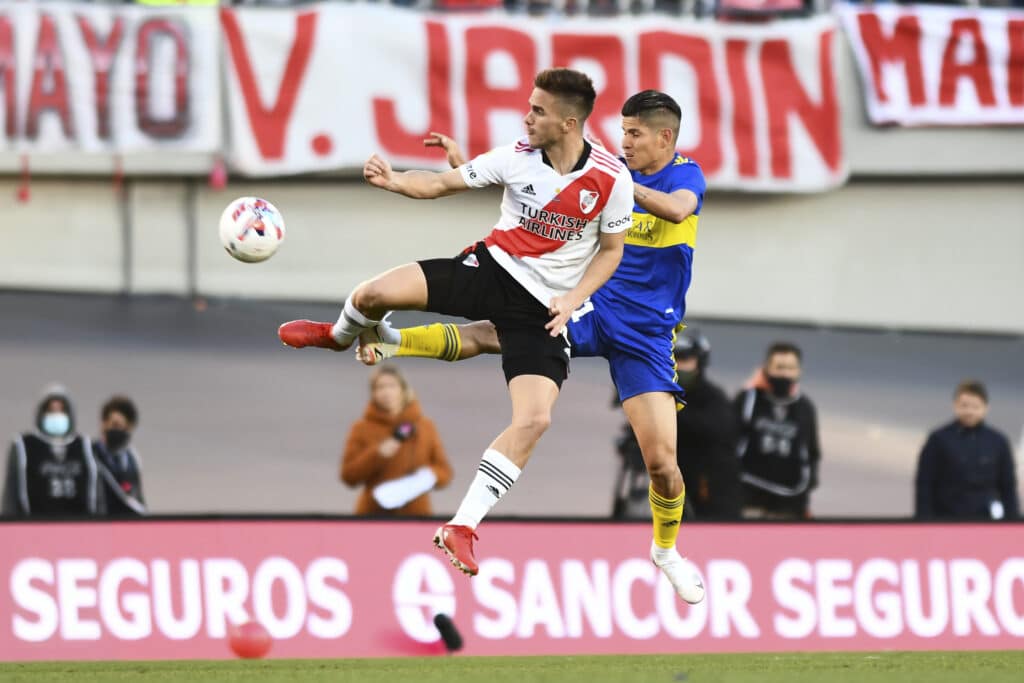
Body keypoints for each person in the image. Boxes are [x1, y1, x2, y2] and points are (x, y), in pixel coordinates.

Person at [278, 68, 634, 577]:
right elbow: (443, 184)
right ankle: (337, 337)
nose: (527, 117)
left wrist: (574, 297)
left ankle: (462, 526)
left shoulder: (611, 178)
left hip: (545, 310)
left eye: (538, 110)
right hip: (491, 271)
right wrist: (395, 181)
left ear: (569, 121)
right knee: (376, 292)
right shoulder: (515, 157)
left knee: (534, 420)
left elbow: (612, 250)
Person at [356, 90, 707, 603]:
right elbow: (539, 193)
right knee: (497, 332)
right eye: (623, 132)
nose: (625, 142)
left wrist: (622, 185)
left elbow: (678, 211)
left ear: (665, 137)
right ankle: (392, 344)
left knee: (663, 466)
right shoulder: (603, 172)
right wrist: (465, 166)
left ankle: (665, 550)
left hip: (648, 333)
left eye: (635, 134)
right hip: (587, 301)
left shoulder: (680, 175)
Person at [340, 365, 453, 515]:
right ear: (373, 393)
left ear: (403, 390)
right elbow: (349, 476)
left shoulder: (425, 426)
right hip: (374, 514)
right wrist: (377, 454)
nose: (386, 392)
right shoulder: (361, 428)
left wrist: (428, 477)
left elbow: (444, 472)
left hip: (417, 516)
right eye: (380, 387)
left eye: (392, 386)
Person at [735, 342, 822, 520]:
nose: (784, 373)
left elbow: (812, 451)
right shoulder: (748, 399)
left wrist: (809, 484)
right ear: (766, 369)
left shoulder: (805, 407)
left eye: (790, 368)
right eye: (779, 367)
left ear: (799, 371)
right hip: (749, 493)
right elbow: (728, 440)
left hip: (790, 499)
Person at [915, 380, 1019, 520]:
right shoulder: (938, 439)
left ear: (985, 408)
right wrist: (924, 522)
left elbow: (1008, 487)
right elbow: (925, 484)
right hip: (946, 520)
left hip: (987, 522)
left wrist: (1013, 522)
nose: (969, 411)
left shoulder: (998, 442)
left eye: (975, 406)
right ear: (955, 406)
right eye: (964, 405)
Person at [2, 385, 103, 518]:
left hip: (78, 527)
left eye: (61, 411)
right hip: (33, 526)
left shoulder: (85, 446)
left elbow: (98, 496)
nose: (56, 415)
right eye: (51, 411)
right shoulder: (24, 446)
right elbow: (10, 495)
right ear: (41, 414)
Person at [673, 329, 742, 519]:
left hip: (710, 494)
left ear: (700, 362)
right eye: (672, 359)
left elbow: (714, 431)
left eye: (685, 359)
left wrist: (673, 413)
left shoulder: (714, 399)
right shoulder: (659, 396)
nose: (677, 365)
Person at [93, 395, 147, 517]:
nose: (117, 430)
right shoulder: (90, 454)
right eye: (114, 424)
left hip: (124, 526)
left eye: (123, 427)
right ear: (104, 424)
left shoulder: (133, 459)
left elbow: (137, 496)